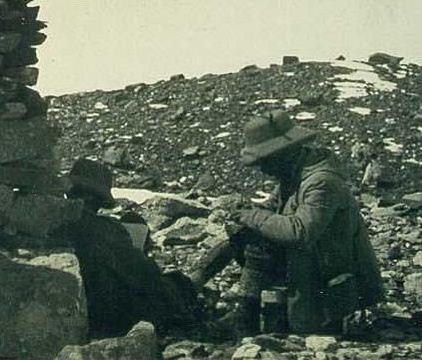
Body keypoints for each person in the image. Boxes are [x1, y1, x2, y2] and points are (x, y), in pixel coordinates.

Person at [228, 109, 383, 335]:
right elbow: (274, 208)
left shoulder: (321, 182)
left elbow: (300, 231)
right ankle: (239, 311)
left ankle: (245, 318)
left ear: (281, 154)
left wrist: (252, 217)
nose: (263, 169)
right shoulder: (293, 174)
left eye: (264, 161)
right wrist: (247, 215)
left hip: (331, 283)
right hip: (310, 266)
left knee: (257, 237)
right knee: (247, 234)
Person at [53, 159, 197, 339]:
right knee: (174, 286)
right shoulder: (103, 229)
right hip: (106, 317)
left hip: (71, 309)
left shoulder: (49, 222)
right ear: (95, 198)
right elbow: (144, 275)